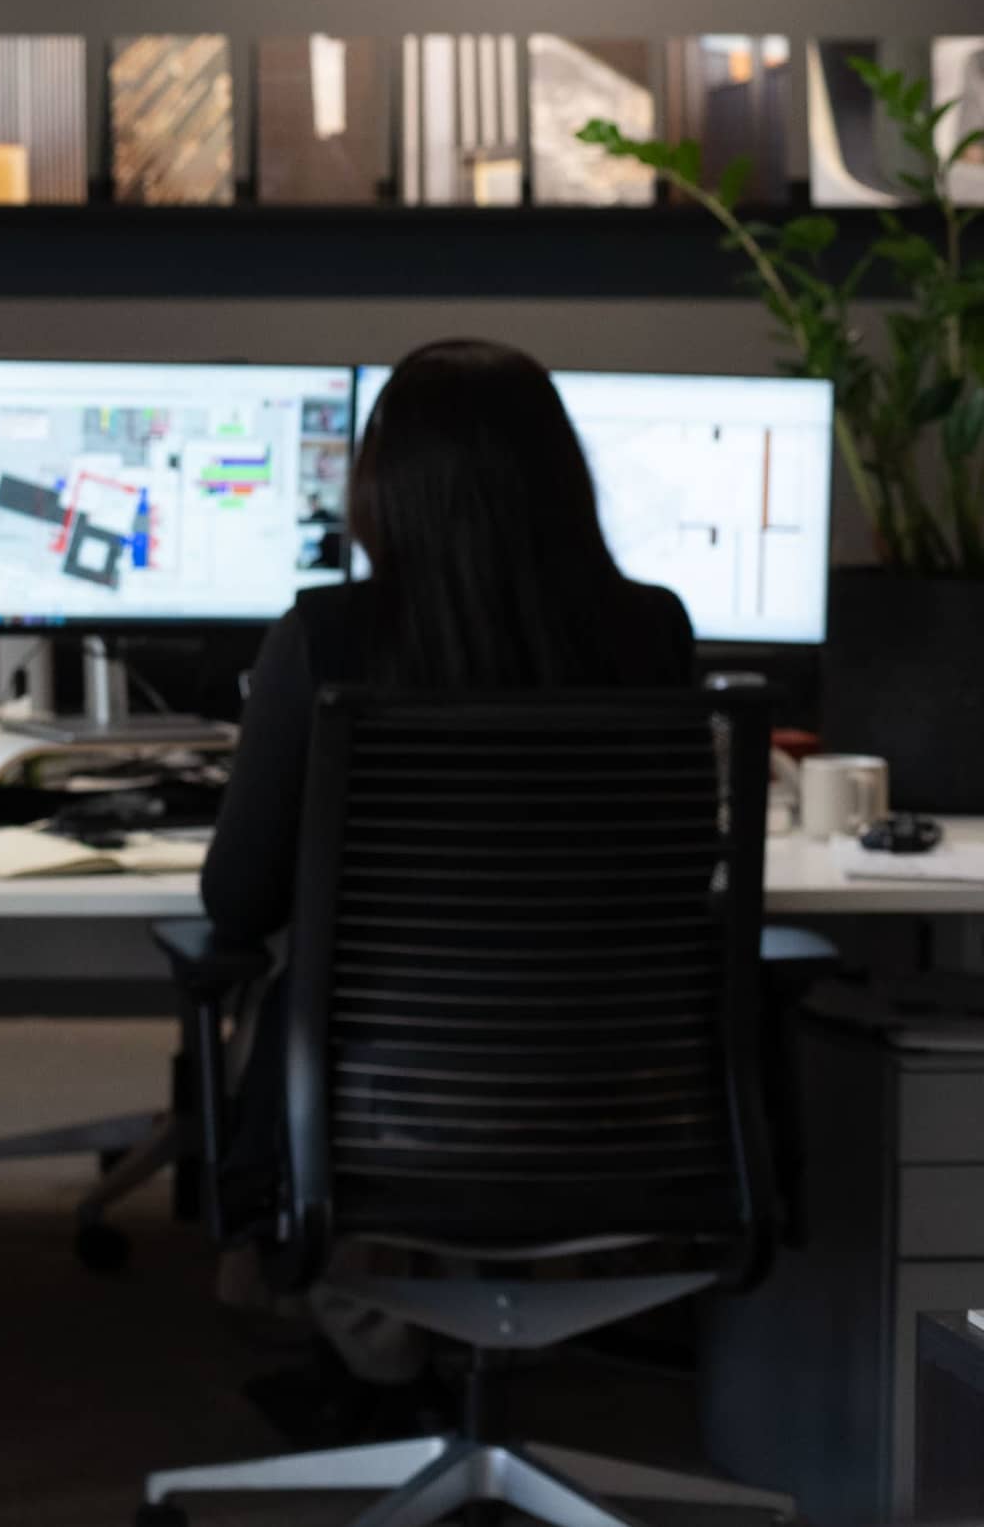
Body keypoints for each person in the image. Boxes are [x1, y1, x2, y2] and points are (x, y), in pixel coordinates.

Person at [198, 337, 695, 1405]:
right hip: (615, 1106)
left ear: (383, 485)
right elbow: (684, 874)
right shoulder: (651, 628)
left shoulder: (326, 635)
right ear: (565, 477)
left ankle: (373, 1346)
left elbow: (236, 900)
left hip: (375, 1121)